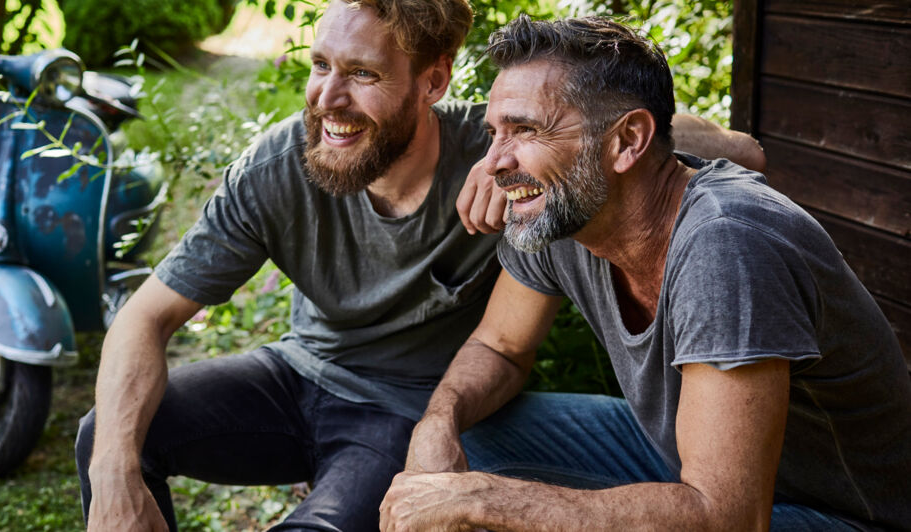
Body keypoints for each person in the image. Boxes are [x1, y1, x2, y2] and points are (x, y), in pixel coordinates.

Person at [76, 2, 765, 530]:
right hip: (297, 374)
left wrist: (557, 155)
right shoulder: (278, 165)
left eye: (362, 74)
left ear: (432, 80)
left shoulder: (504, 151)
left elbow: (746, 152)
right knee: (108, 435)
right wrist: (113, 475)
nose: (326, 98)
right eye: (321, 66)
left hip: (401, 410)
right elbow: (145, 316)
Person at [380, 15, 911, 532]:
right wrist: (438, 423)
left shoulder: (726, 242)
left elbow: (727, 518)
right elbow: (499, 346)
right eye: (494, 133)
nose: (494, 163)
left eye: (526, 130)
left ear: (628, 140)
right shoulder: (561, 210)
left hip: (840, 513)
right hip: (683, 463)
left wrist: (483, 500)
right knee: (468, 441)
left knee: (480, 496)